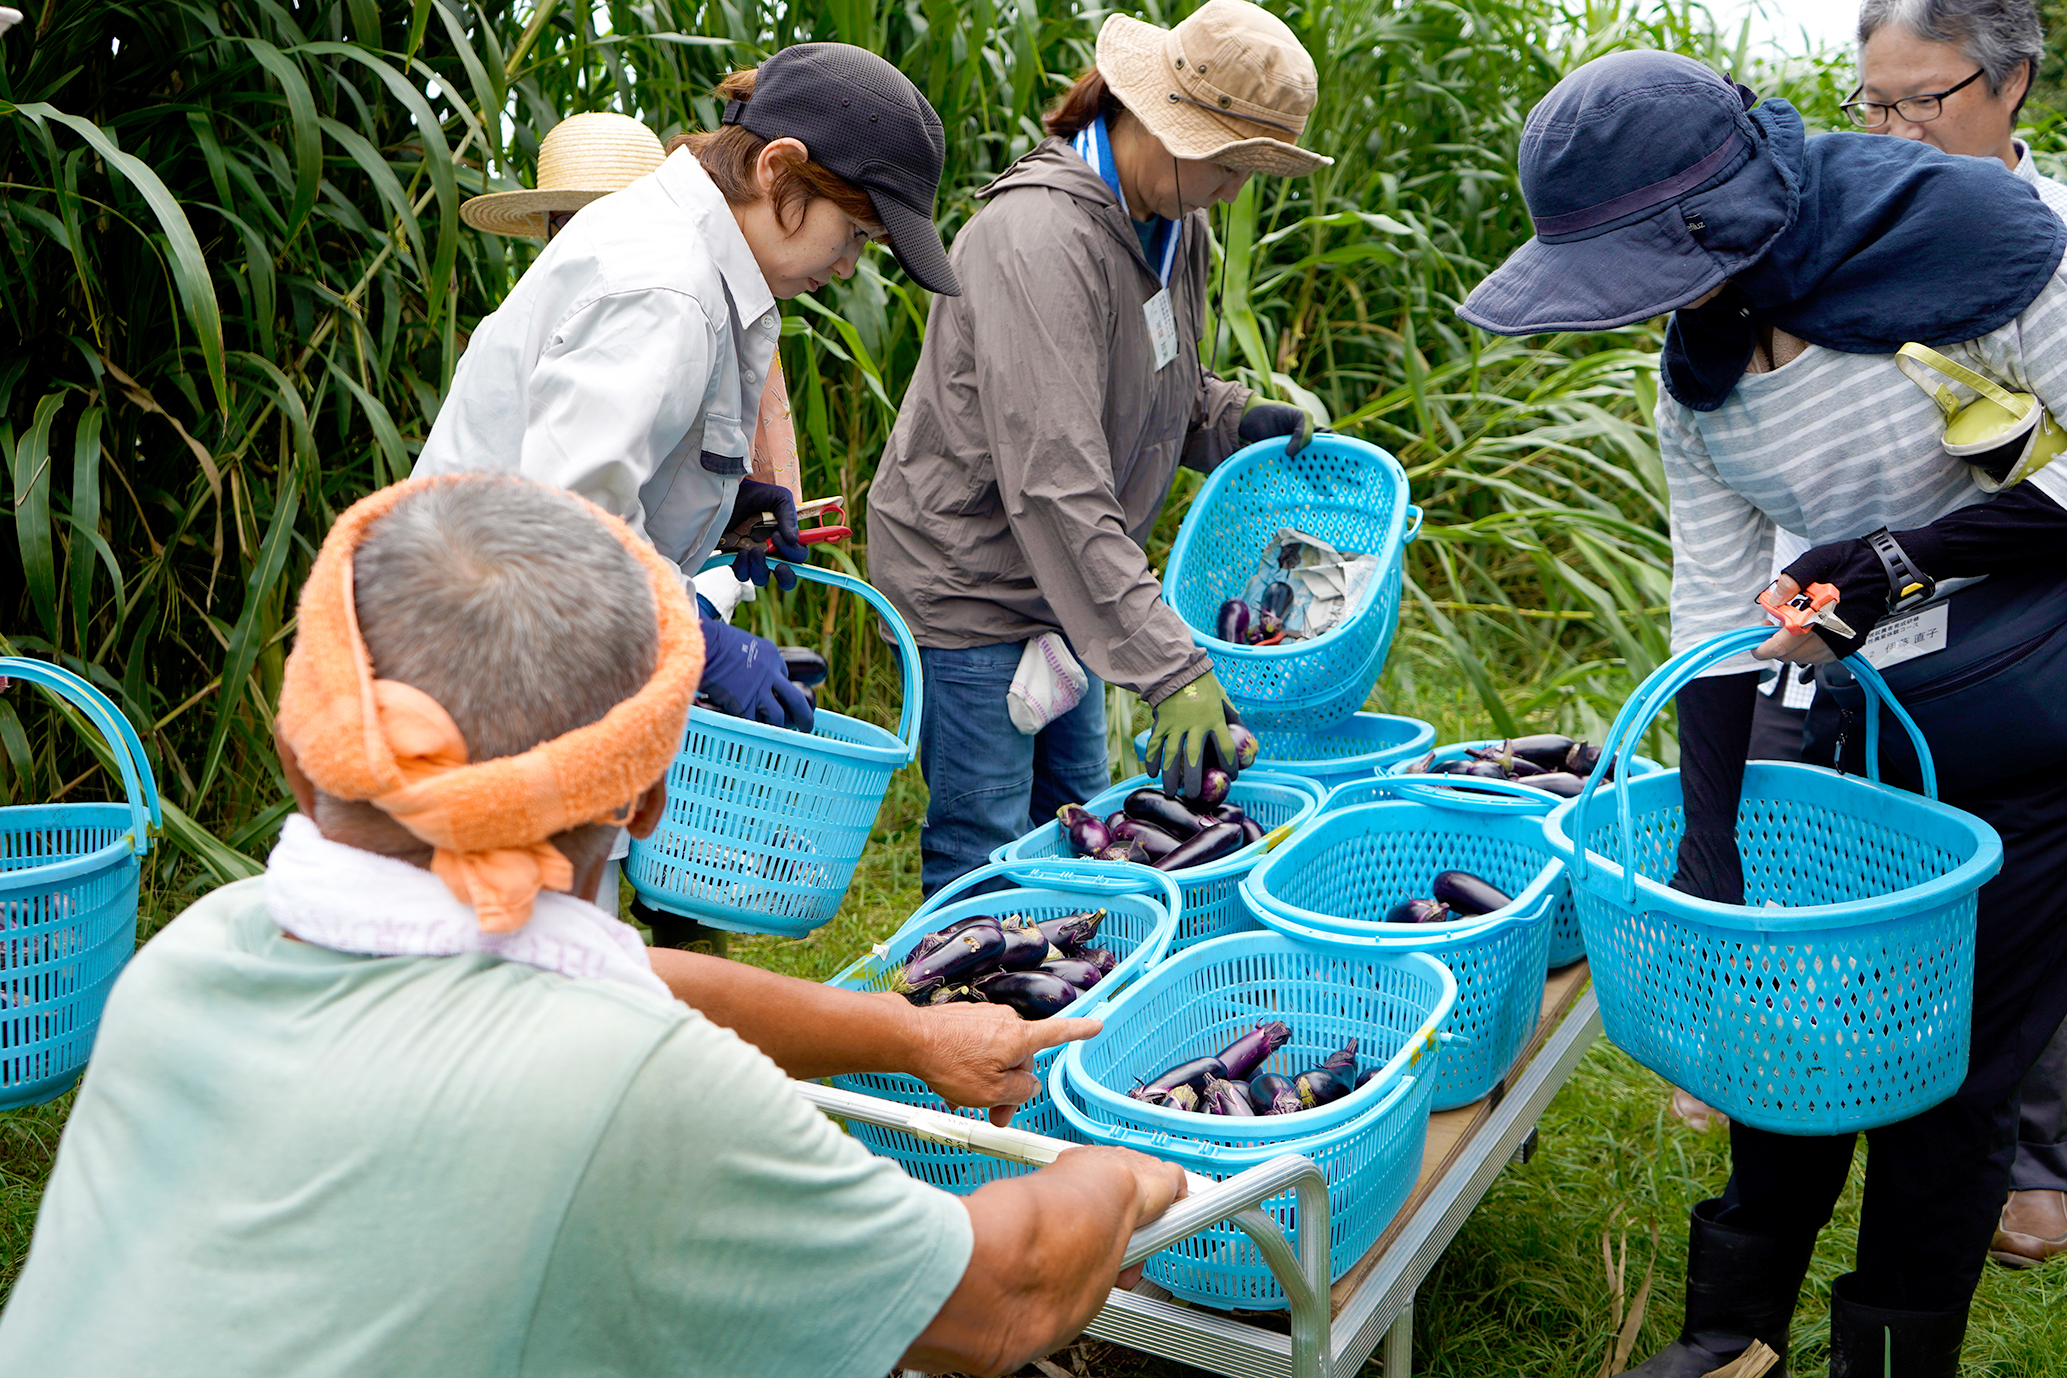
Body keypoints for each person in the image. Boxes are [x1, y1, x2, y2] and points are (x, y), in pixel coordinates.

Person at [0, 475, 1186, 1378]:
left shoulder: (197, 953)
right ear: (647, 796)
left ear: (302, 756)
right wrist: (1126, 1177)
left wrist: (904, 1032)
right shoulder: (619, 1091)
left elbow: (605, 987)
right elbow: (1009, 1296)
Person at [1460, 51, 2067, 1378]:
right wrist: (1706, 853)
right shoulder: (1704, 363)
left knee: (1952, 1077)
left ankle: (1888, 1356)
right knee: (1788, 1025)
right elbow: (1707, 617)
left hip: (2022, 718)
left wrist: (1906, 554)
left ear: (1720, 212)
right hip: (1845, 712)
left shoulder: (1984, 242)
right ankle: (1729, 1341)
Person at [867, 0, 1330, 895]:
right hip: (972, 579)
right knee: (987, 843)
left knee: (1079, 821)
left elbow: (1153, 381)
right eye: (1229, 164)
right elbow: (1053, 479)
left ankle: (1059, 1026)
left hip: (1064, 582)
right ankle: (951, 1025)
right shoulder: (1039, 238)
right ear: (1162, 124)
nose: (1235, 189)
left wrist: (1230, 420)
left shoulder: (1170, 223)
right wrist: (1171, 670)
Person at [1848, 0, 2067, 1270]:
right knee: (1894, 862)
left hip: (2034, 605)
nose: (1891, 132)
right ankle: (1874, 1108)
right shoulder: (1863, 240)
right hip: (1885, 619)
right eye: (1870, 104)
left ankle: (2034, 1163)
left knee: (2035, 887)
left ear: (2013, 84)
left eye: (1918, 103)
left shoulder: (2052, 240)